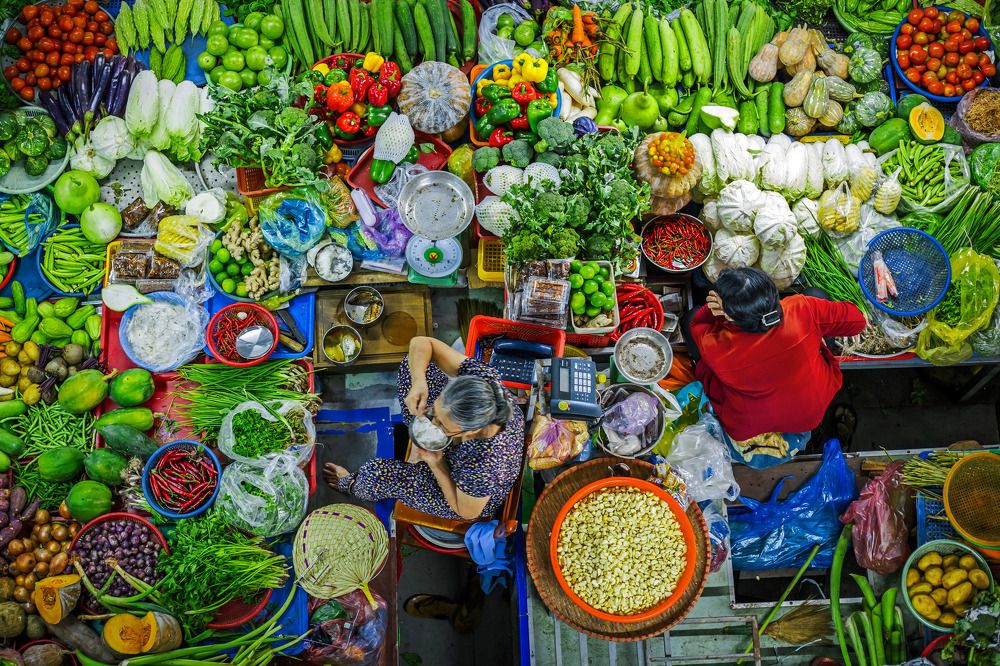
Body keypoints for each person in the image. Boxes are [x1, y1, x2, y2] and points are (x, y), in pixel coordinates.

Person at [324, 336, 524, 521]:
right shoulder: (485, 381)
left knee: (376, 474)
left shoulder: (484, 466)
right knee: (413, 366)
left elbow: (466, 511)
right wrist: (419, 383)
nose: (431, 422)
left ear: (469, 431)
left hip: (463, 494)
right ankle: (432, 431)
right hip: (460, 453)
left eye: (441, 424)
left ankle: (349, 484)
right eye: (434, 413)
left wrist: (437, 464)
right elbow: (421, 343)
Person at [681, 267, 866, 442]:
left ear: (729, 316)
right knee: (817, 294)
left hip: (749, 424)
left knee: (690, 318)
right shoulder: (801, 308)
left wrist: (711, 310)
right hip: (809, 414)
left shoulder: (718, 346)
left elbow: (697, 324)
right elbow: (857, 322)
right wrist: (816, 330)